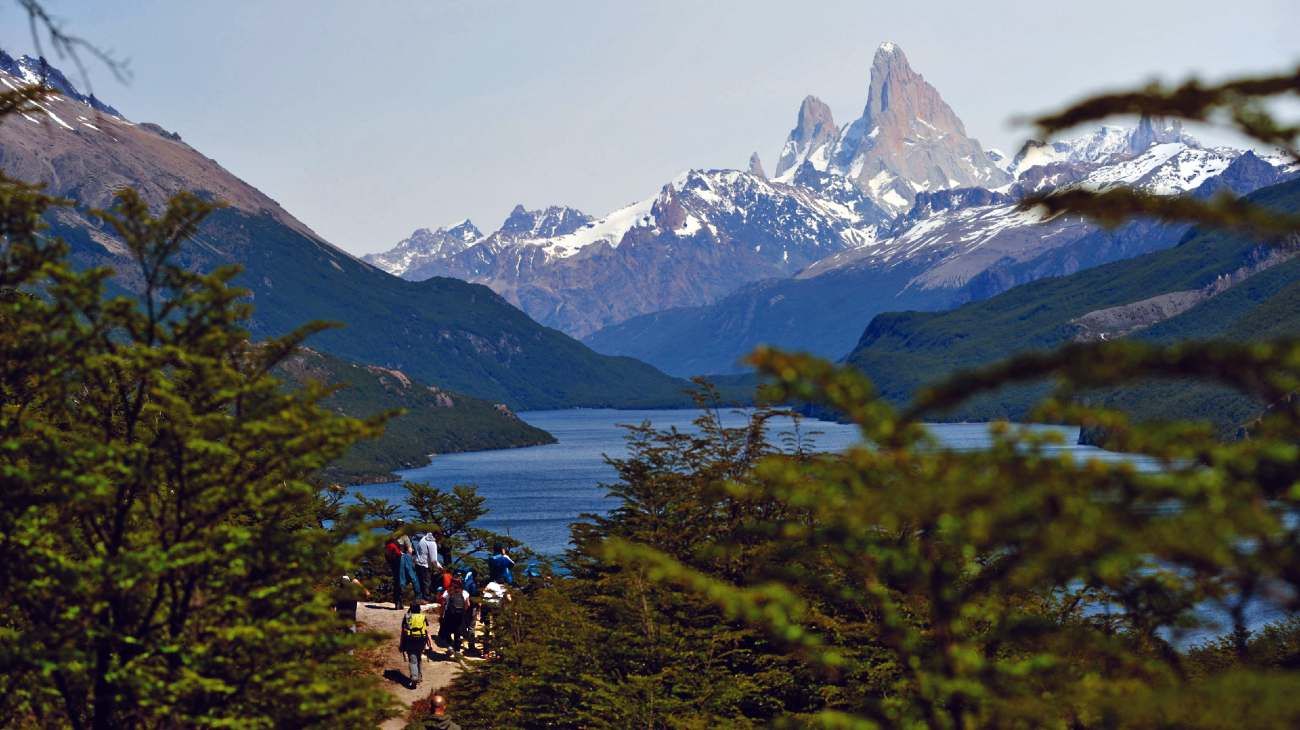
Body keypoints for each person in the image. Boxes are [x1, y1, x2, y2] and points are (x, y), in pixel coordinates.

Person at [399, 601, 432, 689]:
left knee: (413, 658)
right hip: (421, 640)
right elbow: (426, 631)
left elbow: (403, 631)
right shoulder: (423, 617)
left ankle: (414, 677)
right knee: (419, 657)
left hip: (410, 640)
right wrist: (430, 644)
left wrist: (401, 644)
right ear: (419, 609)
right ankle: (419, 677)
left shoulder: (407, 617)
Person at [437, 576, 471, 657]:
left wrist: (441, 615)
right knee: (457, 633)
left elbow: (442, 604)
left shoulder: (448, 592)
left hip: (449, 615)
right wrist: (463, 612)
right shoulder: (464, 593)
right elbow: (468, 605)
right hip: (459, 616)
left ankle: (449, 647)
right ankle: (457, 650)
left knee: (447, 631)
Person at [478, 579, 510, 657]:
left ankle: (486, 652)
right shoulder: (504, 588)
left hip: (486, 607)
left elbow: (484, 592)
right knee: (497, 630)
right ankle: (498, 653)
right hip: (496, 608)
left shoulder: (491, 583)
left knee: (487, 629)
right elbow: (509, 599)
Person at [413, 531, 441, 601]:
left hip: (417, 563)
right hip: (425, 565)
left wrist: (439, 565)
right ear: (437, 536)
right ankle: (426, 598)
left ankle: (419, 598)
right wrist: (438, 568)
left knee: (420, 582)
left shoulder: (424, 538)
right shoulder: (432, 543)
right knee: (427, 582)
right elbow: (433, 560)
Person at [384, 536, 404, 609]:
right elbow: (398, 553)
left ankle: (397, 603)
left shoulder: (387, 546)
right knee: (399, 584)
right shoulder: (393, 545)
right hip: (398, 565)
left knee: (396, 583)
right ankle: (399, 602)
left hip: (392, 565)